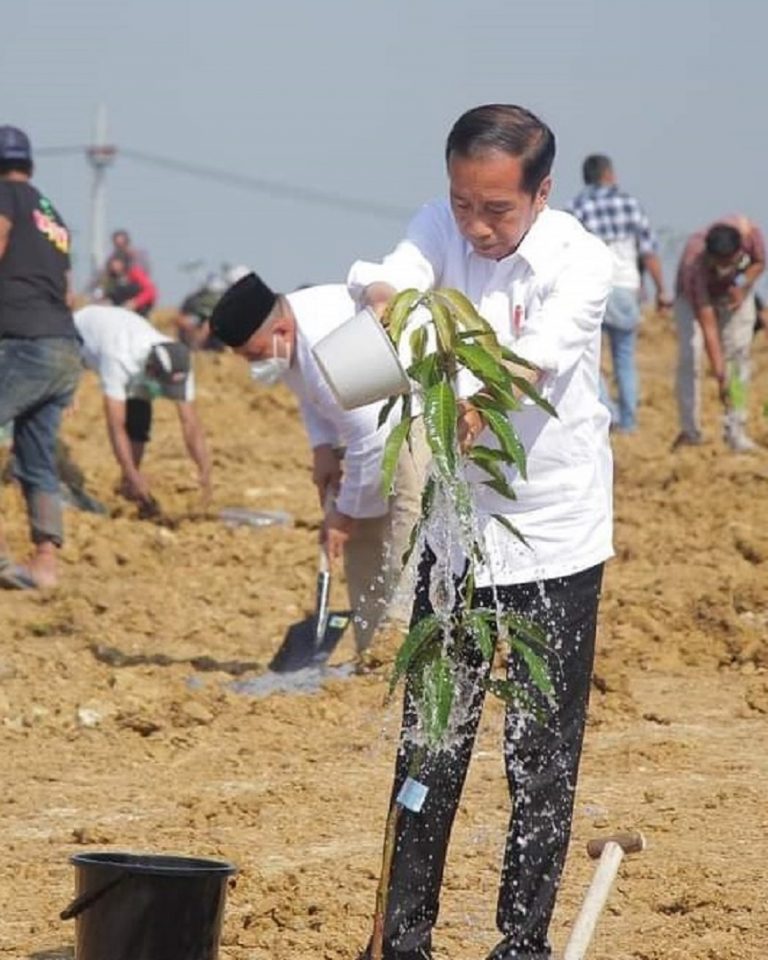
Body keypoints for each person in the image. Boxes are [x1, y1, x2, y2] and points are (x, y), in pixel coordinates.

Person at [346, 104, 613, 960]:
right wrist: (388, 314)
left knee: (538, 752)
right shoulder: (439, 225)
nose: (477, 225)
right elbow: (382, 291)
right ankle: (402, 936)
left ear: (541, 192)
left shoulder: (582, 262)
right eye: (465, 203)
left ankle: (521, 941)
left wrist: (461, 403)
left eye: (497, 209)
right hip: (457, 542)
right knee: (432, 740)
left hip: (552, 537)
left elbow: (523, 374)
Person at [209, 273, 422, 653]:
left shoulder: (328, 343)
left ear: (282, 329)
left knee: (406, 537)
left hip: (410, 420)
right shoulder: (289, 338)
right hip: (370, 424)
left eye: (255, 355)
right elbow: (308, 393)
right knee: (362, 539)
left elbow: (370, 436)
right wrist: (322, 447)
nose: (254, 366)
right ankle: (373, 651)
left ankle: (406, 648)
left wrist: (344, 515)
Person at [0, 124, 83, 589]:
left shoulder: (4, 198)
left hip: (27, 341)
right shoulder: (51, 214)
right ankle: (44, 566)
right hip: (63, 347)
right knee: (35, 456)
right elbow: (68, 291)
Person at [73, 303, 212, 514]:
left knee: (140, 414)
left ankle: (129, 486)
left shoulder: (178, 359)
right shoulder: (119, 357)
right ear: (150, 370)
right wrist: (130, 472)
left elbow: (190, 422)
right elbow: (115, 424)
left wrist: (205, 471)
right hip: (78, 336)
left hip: (126, 332)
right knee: (60, 400)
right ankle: (130, 478)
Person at [568, 154, 671, 433]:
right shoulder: (630, 204)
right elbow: (648, 252)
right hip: (626, 286)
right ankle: (630, 422)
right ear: (609, 174)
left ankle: (606, 410)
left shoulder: (576, 207)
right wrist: (662, 290)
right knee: (624, 358)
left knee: (588, 357)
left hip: (590, 289)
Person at [673, 216, 765, 451]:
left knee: (738, 356)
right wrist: (720, 373)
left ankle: (736, 430)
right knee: (690, 354)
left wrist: (743, 284)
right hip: (693, 298)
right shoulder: (694, 265)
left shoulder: (751, 236)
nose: (725, 268)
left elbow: (759, 263)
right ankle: (690, 431)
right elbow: (708, 325)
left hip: (736, 292)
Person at [100, 252, 157, 316]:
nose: (114, 266)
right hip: (120, 310)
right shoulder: (111, 279)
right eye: (113, 263)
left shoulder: (134, 273)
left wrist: (136, 302)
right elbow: (108, 295)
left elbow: (150, 291)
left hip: (139, 309)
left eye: (117, 263)